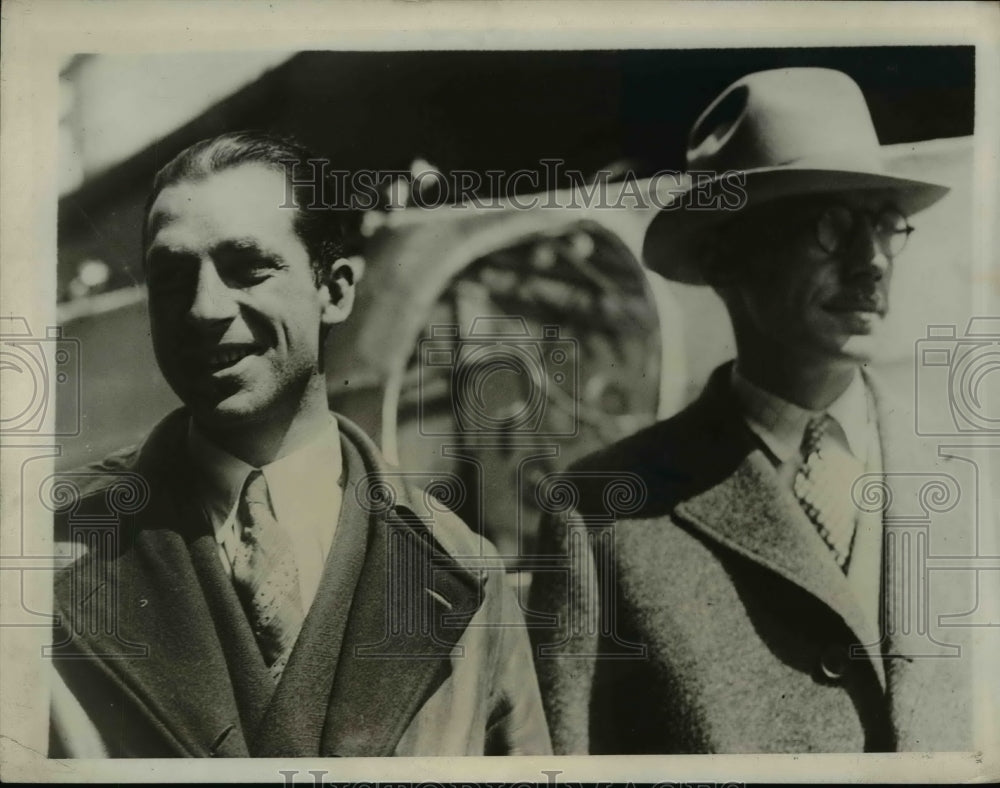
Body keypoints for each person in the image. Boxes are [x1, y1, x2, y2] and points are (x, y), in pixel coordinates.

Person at [48, 131, 551, 758]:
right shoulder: (49, 555)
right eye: (172, 277)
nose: (204, 308)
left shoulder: (467, 573)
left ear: (335, 290)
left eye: (248, 268)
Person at [529, 68, 975, 753]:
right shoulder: (602, 516)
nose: (873, 262)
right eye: (829, 226)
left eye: (886, 225)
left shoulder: (973, 488)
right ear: (724, 258)